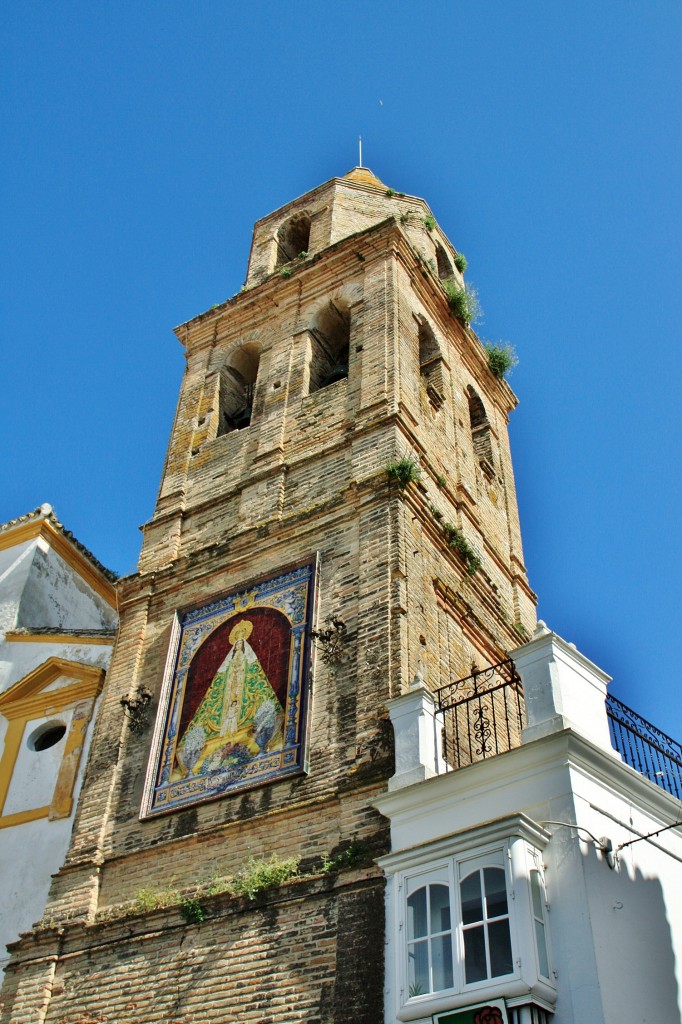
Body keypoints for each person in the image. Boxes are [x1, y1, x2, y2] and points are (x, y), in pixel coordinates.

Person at [175, 618, 283, 777]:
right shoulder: (230, 660)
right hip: (231, 682)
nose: (238, 646)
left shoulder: (246, 658)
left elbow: (250, 666)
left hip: (242, 680)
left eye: (241, 645)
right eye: (236, 645)